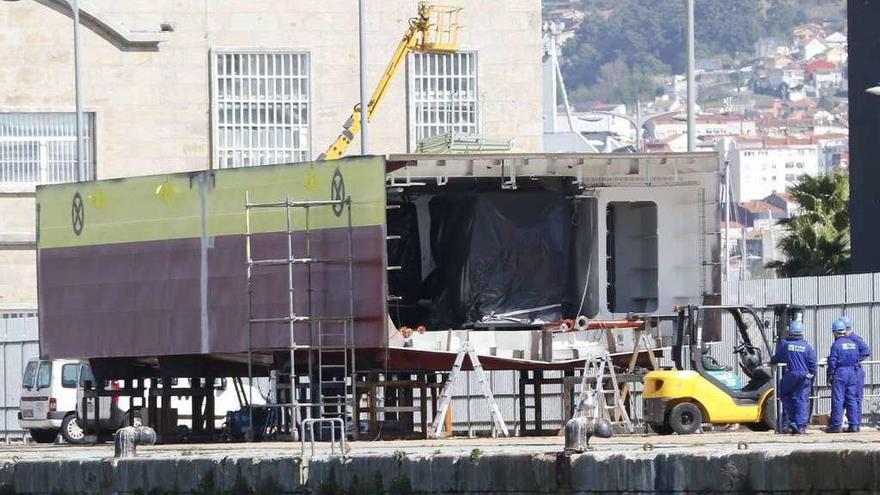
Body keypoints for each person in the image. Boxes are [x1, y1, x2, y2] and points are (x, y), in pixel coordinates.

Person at [770, 321, 817, 434]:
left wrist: (771, 362)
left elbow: (778, 357)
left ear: (790, 332)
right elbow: (812, 363)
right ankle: (801, 427)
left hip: (792, 374)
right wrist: (811, 375)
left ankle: (793, 420)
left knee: (784, 394)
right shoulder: (807, 346)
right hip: (805, 375)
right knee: (802, 400)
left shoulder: (785, 344)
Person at [827, 318, 869, 433]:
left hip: (841, 373)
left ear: (835, 332)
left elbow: (833, 361)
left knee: (838, 399)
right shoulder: (853, 344)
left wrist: (830, 374)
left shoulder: (837, 344)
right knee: (852, 399)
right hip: (853, 372)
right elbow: (857, 357)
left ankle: (836, 426)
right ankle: (854, 425)